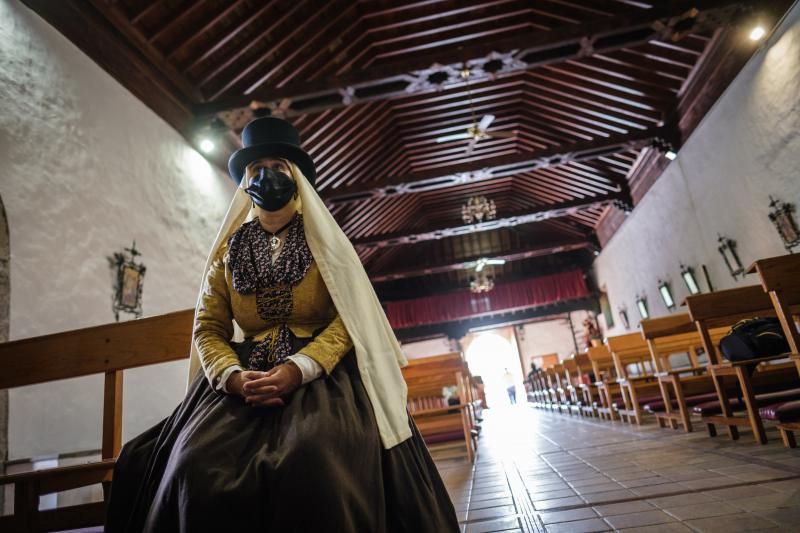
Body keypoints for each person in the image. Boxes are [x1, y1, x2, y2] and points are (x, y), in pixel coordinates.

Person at [105, 117, 459, 532]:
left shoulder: (326, 245)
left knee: (314, 456)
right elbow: (208, 327)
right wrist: (232, 377)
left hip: (320, 377)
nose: (266, 177)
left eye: (278, 166)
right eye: (256, 170)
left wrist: (299, 368)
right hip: (242, 379)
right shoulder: (227, 254)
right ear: (244, 182)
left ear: (297, 177)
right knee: (193, 465)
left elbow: (351, 318)